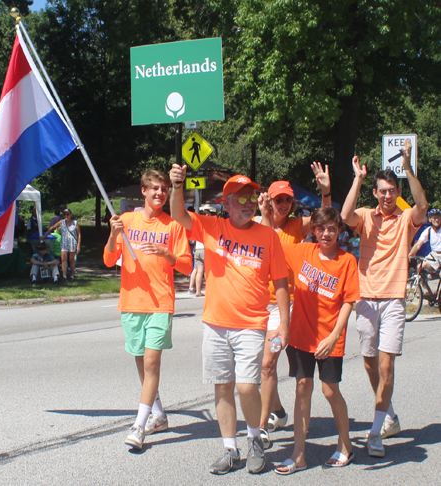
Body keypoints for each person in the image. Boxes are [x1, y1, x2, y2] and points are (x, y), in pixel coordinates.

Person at [169, 166, 290, 475]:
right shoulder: (212, 227)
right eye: (241, 199)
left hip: (252, 324)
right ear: (226, 204)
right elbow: (179, 215)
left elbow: (280, 283)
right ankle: (229, 449)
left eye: (252, 198)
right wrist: (177, 186)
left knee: (248, 387)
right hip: (216, 323)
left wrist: (284, 325)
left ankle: (254, 440)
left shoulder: (268, 236)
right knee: (222, 388)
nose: (249, 204)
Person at [341, 138, 428, 458]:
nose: (388, 196)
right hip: (365, 299)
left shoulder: (406, 219)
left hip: (392, 300)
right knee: (368, 362)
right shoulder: (365, 216)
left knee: (386, 366)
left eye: (392, 190)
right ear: (375, 192)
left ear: (397, 192)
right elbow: (345, 213)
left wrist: (406, 168)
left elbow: (423, 206)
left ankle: (375, 433)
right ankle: (389, 413)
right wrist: (358, 178)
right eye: (382, 190)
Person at [103, 170, 192, 451]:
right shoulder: (126, 221)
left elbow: (187, 266)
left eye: (163, 189)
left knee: (152, 364)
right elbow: (108, 259)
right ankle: (159, 415)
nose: (159, 194)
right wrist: (112, 234)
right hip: (131, 303)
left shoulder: (173, 226)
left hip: (160, 304)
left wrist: (166, 254)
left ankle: (138, 426)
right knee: (142, 365)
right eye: (154, 189)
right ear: (143, 191)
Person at [274, 207, 359, 475]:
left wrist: (334, 336)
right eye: (320, 228)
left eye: (332, 229)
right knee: (302, 388)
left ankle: (345, 445)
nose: (326, 233)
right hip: (301, 335)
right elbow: (272, 241)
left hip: (329, 338)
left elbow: (349, 301)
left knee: (330, 391)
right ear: (313, 231)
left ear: (339, 231)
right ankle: (298, 455)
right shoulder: (302, 251)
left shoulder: (347, 261)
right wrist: (265, 212)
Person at [256, 162, 331, 448]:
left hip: (285, 304)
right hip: (258, 304)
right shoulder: (258, 223)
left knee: (267, 364)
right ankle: (277, 411)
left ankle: (261, 428)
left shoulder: (297, 226)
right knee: (263, 366)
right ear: (270, 200)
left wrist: (325, 192)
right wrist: (263, 215)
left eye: (288, 199)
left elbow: (323, 219)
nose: (285, 204)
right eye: (279, 199)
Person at [42, 208, 81, 282]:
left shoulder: (75, 223)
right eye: (64, 214)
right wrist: (44, 236)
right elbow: (52, 228)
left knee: (71, 260)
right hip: (64, 242)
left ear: (71, 215)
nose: (66, 216)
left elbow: (79, 234)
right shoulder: (61, 222)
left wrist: (78, 245)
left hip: (72, 242)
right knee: (63, 259)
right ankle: (64, 276)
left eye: (67, 214)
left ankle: (72, 276)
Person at [409, 208, 441, 274]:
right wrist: (410, 255)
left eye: (438, 218)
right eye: (434, 218)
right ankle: (424, 282)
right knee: (422, 266)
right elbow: (418, 244)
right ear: (430, 220)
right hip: (434, 254)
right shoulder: (428, 230)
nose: (437, 220)